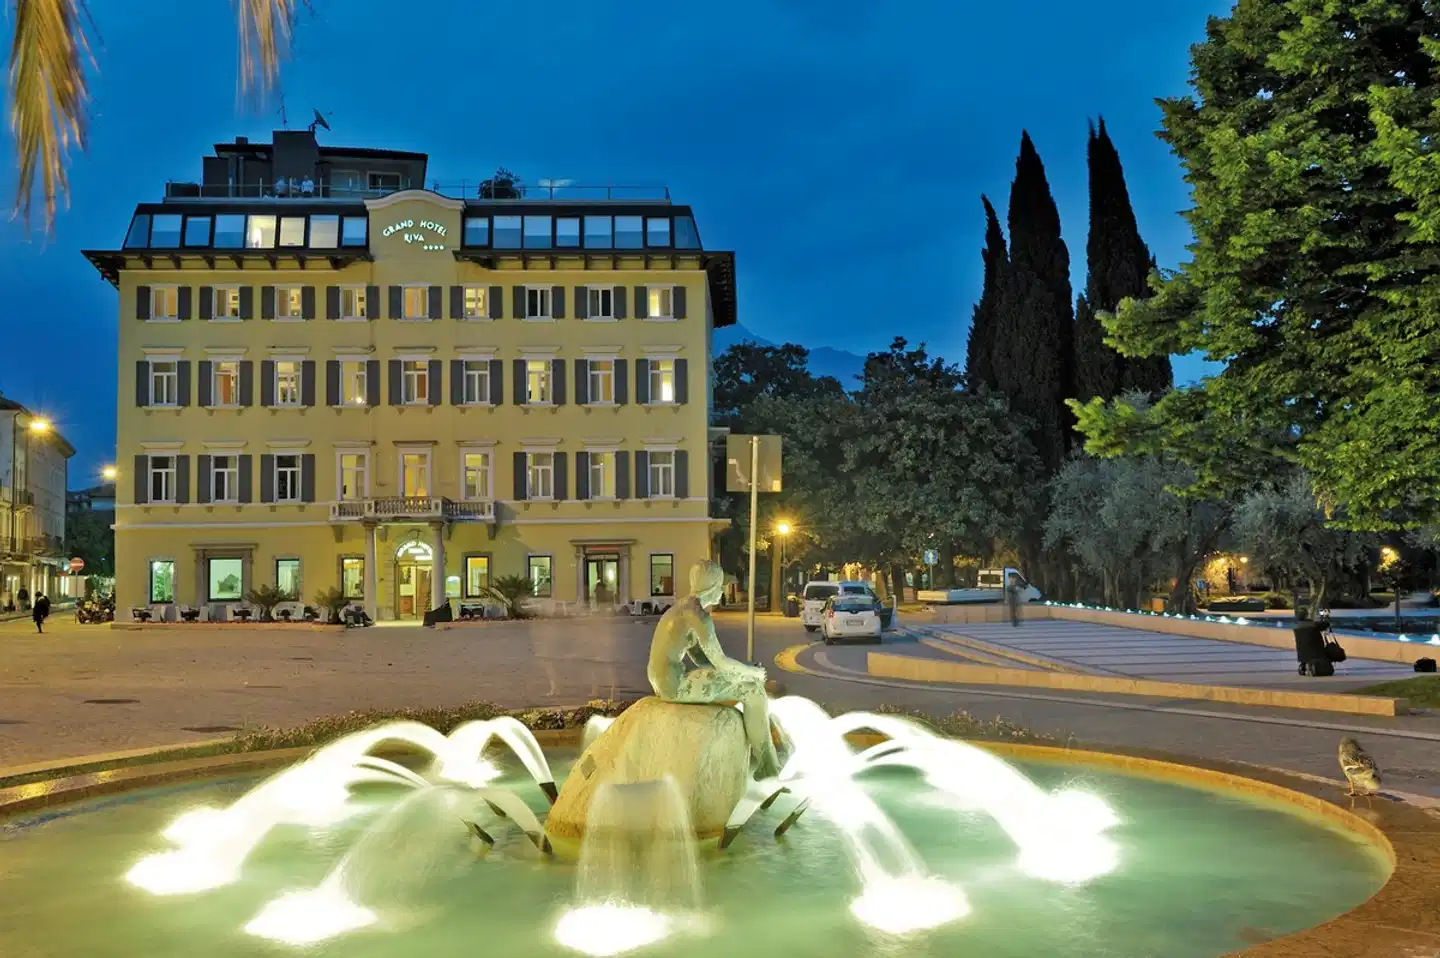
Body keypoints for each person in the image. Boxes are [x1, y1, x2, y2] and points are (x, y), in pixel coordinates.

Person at [647, 559, 786, 778]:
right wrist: (753, 673)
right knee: (753, 690)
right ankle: (767, 766)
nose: (723, 591)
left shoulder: (683, 608)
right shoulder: (699, 617)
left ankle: (768, 758)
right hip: (675, 686)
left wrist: (745, 667)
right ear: (711, 586)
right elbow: (720, 662)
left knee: (748, 681)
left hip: (664, 681)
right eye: (721, 585)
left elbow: (704, 662)